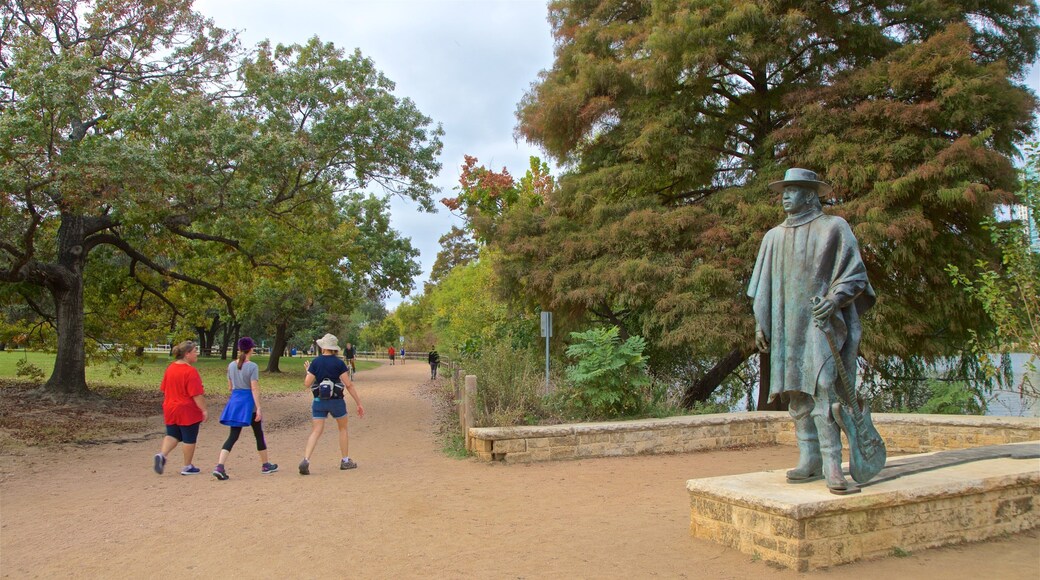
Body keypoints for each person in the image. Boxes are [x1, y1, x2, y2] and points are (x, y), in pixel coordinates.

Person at [747, 168, 876, 495]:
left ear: (810, 193)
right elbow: (762, 289)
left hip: (821, 324)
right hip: (788, 326)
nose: (785, 196)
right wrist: (760, 322)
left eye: (793, 190)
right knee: (795, 392)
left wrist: (834, 300)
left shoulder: (834, 228)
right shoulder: (773, 237)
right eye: (783, 190)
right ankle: (810, 457)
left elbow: (856, 275)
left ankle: (834, 464)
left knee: (823, 389)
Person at [211, 337, 278, 480]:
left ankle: (220, 466)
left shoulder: (231, 365)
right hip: (249, 403)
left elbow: (230, 387)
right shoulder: (252, 366)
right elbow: (254, 388)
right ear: (251, 349)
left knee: (233, 436)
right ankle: (265, 465)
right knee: (258, 433)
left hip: (235, 401)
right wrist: (258, 408)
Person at [299, 333, 365, 475]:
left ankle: (306, 460)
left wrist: (308, 371)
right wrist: (358, 403)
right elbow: (348, 385)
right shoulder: (339, 363)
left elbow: (307, 383)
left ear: (323, 347)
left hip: (319, 401)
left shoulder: (315, 362)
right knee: (342, 428)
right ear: (334, 348)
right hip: (336, 401)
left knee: (316, 431)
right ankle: (345, 461)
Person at [153, 340, 208, 475]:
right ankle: (187, 466)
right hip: (187, 409)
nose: (197, 354)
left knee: (173, 434)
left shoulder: (170, 368)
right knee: (189, 437)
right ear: (187, 354)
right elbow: (196, 394)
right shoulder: (190, 371)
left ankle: (162, 455)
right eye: (195, 351)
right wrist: (204, 409)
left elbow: (164, 388)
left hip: (170, 407)